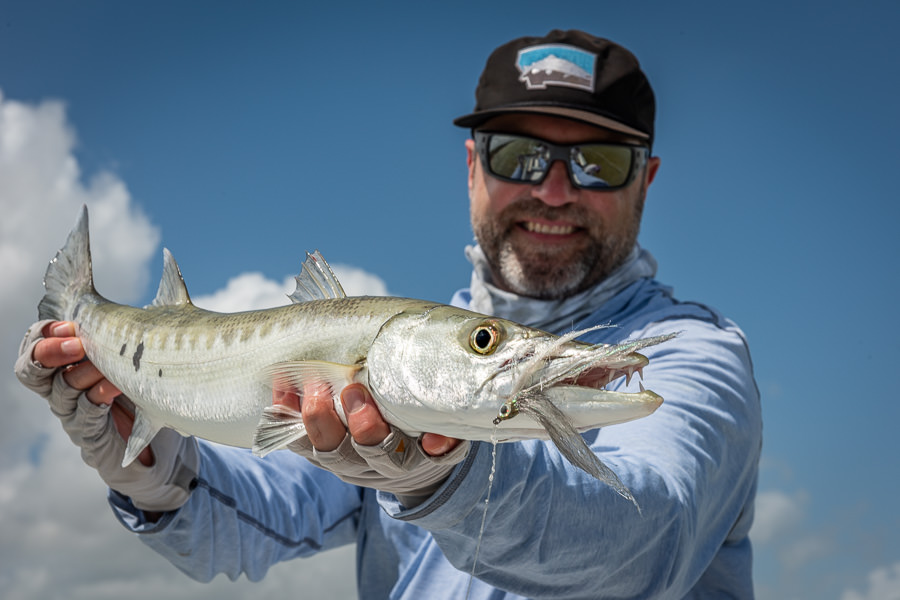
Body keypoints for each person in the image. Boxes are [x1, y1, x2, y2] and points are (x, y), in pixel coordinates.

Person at [15, 29, 761, 599]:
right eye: (516, 156)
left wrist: (442, 482)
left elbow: (646, 544)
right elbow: (251, 525)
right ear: (472, 166)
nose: (556, 190)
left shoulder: (693, 354)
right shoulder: (404, 366)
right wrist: (150, 469)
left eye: (599, 161)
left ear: (648, 180)